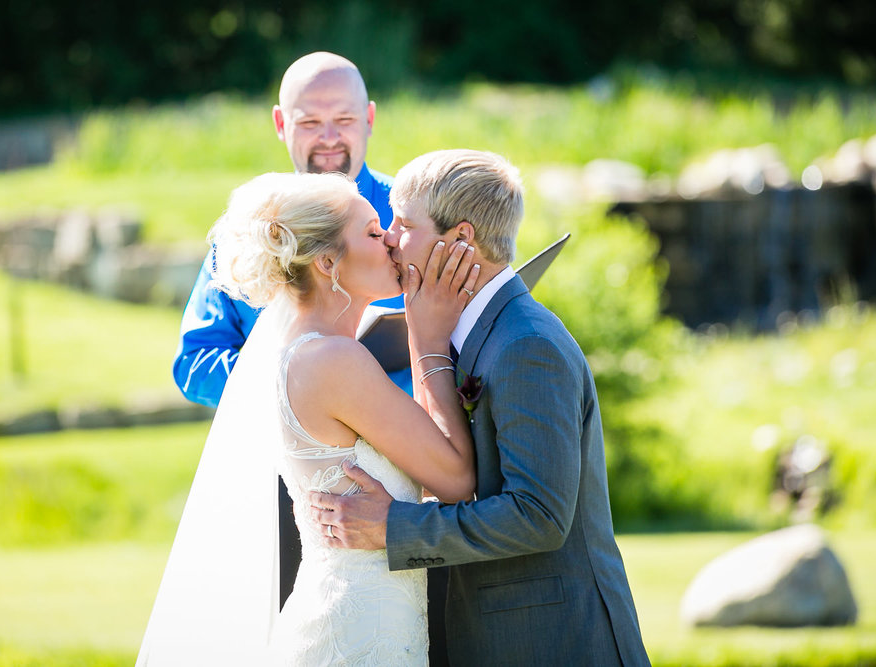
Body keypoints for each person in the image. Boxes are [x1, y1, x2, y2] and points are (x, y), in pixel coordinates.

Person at [310, 150, 652, 666]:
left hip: (552, 641)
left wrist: (392, 527)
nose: (392, 239)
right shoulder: (468, 331)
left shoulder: (525, 345)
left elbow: (537, 516)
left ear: (462, 239)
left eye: (404, 224)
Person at [137, 171, 481, 664]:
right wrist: (428, 339)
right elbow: (456, 478)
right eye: (370, 232)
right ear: (326, 262)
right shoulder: (333, 362)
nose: (389, 239)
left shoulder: (308, 350)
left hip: (355, 612)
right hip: (362, 630)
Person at [173, 51, 403, 409]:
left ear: (369, 118)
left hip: (410, 442)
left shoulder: (415, 216)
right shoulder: (249, 228)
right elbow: (195, 363)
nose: (329, 137)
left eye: (344, 118)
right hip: (289, 453)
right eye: (309, 122)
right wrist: (297, 382)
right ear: (281, 123)